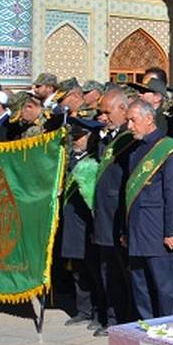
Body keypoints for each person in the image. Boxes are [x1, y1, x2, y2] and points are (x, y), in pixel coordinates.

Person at [121, 99, 173, 319]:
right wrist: (125, 230)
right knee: (141, 287)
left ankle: (170, 328)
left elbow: (172, 193)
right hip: (136, 229)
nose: (129, 126)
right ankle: (147, 327)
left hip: (157, 230)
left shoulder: (168, 149)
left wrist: (171, 231)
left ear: (149, 119)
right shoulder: (135, 148)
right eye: (128, 120)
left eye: (133, 120)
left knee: (165, 288)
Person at [92, 88, 136, 334]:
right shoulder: (106, 138)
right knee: (107, 270)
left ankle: (123, 319)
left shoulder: (130, 137)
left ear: (122, 109)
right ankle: (110, 316)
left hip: (118, 214)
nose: (103, 117)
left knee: (122, 272)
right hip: (103, 215)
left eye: (107, 112)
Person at [61, 118, 103, 328]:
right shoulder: (68, 159)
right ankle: (83, 309)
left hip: (87, 223)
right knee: (78, 269)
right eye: (74, 137)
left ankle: (98, 312)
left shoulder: (95, 160)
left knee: (93, 269)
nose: (75, 141)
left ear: (91, 137)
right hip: (72, 221)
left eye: (80, 137)